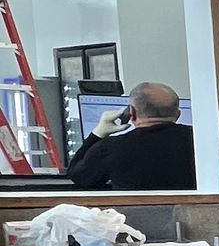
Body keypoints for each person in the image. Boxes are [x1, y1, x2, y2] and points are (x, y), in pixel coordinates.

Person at [67, 81, 197, 192]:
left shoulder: (111, 147)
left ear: (132, 113)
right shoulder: (198, 141)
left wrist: (97, 134)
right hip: (192, 217)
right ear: (178, 114)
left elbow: (79, 177)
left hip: (133, 220)